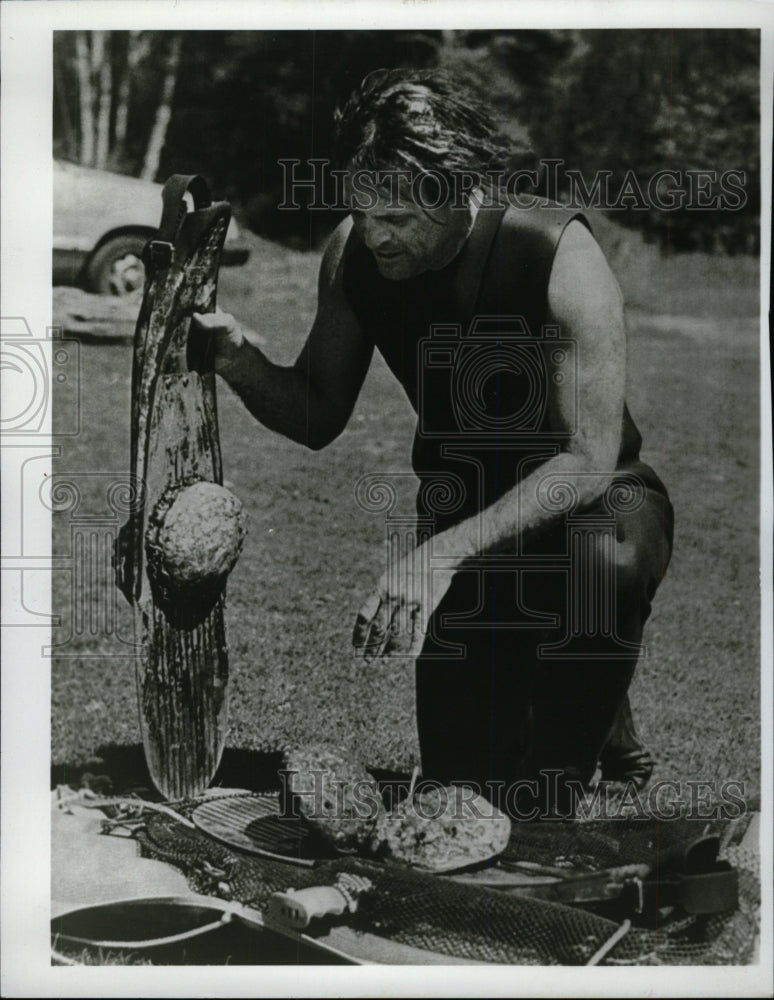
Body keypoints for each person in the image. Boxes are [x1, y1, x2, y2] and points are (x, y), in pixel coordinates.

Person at [194, 68, 674, 815]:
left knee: (599, 572)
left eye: (399, 215)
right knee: (461, 800)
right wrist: (240, 360)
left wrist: (437, 556)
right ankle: (589, 694)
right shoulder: (356, 255)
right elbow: (317, 411)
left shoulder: (558, 253)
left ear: (457, 190)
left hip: (595, 501)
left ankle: (573, 723)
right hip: (468, 515)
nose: (375, 232)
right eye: (362, 209)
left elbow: (588, 458)